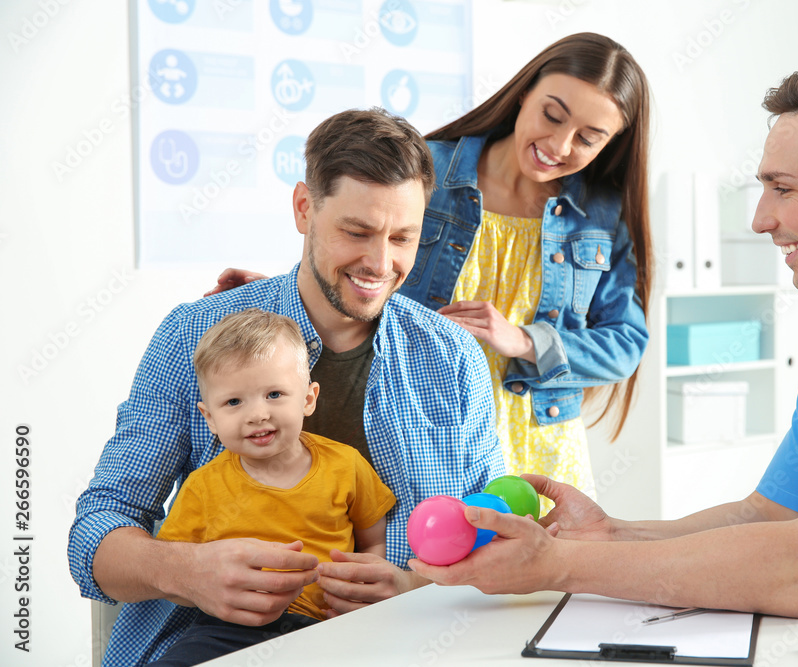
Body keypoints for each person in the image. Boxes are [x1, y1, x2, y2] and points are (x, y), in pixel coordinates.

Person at [409, 60, 798, 619]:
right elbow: (769, 513)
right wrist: (611, 533)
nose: (760, 219)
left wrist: (558, 564)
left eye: (783, 189)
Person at [69, 108, 506, 667]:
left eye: (403, 238)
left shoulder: (454, 360)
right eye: (357, 231)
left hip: (403, 646)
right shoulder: (194, 334)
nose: (380, 262)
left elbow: (491, 535)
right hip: (213, 641)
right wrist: (187, 572)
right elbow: (97, 530)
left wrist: (414, 587)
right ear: (304, 208)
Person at [208, 33, 653, 504]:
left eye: (588, 138)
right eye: (552, 115)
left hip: (540, 440)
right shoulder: (431, 169)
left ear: (612, 142)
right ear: (525, 92)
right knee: (413, 559)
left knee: (540, 570)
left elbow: (625, 344)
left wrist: (523, 340)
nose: (559, 145)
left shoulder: (602, 214)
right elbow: (354, 259)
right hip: (426, 420)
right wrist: (274, 299)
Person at [150, 308, 397, 666]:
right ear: (210, 419)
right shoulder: (203, 487)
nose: (257, 414)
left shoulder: (345, 465)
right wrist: (205, 589)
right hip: (227, 629)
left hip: (326, 626)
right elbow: (180, 577)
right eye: (234, 402)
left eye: (275, 394)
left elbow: (372, 536)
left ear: (308, 398)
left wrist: (361, 588)